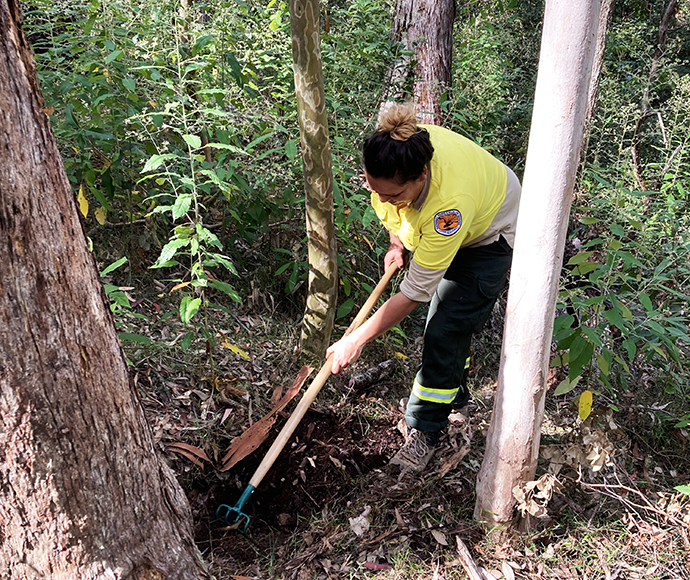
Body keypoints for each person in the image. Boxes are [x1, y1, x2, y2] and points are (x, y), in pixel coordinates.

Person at [326, 103, 522, 471]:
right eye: (375, 190)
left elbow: (415, 293)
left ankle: (427, 431)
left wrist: (356, 339)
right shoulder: (392, 160)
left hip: (492, 234)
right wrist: (396, 244)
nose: (381, 199)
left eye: (392, 194)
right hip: (456, 217)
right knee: (451, 327)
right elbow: (389, 208)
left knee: (445, 328)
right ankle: (456, 397)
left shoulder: (448, 208)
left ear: (420, 177)